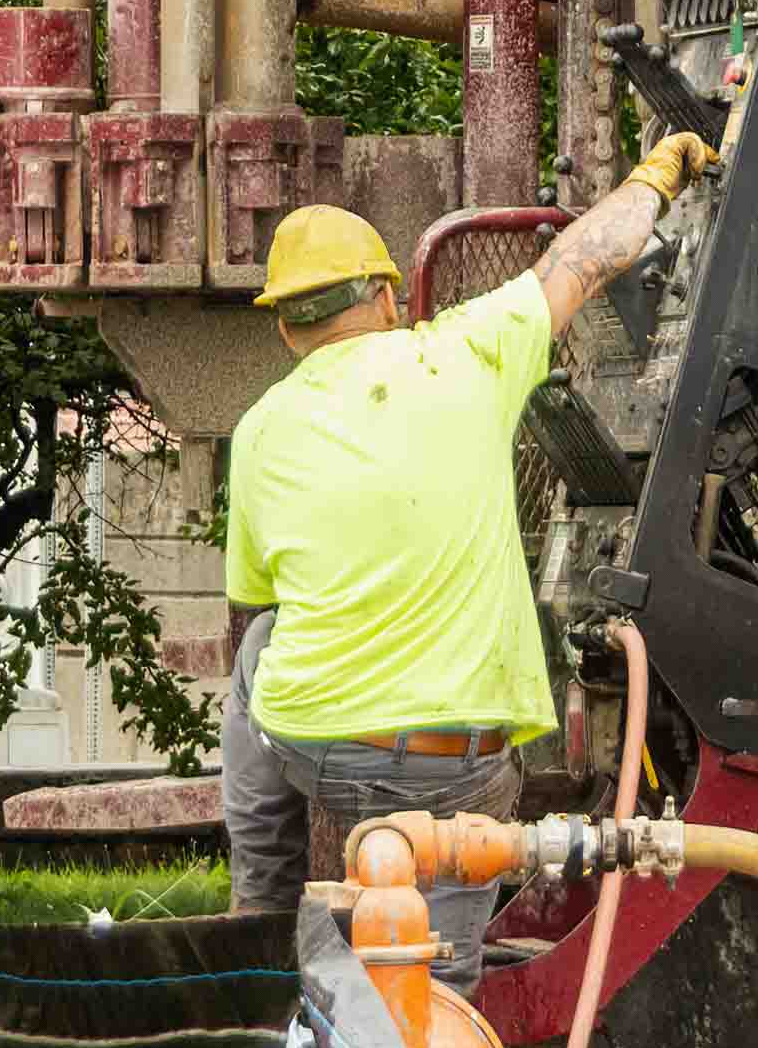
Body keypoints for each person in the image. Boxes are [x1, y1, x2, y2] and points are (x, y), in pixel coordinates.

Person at [222, 132, 718, 980]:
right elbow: (585, 258)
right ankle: (444, 997)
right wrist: (657, 174)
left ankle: (260, 927)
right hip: (457, 767)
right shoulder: (463, 352)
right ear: (384, 295)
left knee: (258, 655)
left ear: (285, 326)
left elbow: (260, 597)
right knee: (440, 974)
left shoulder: (260, 428)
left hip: (324, 752)